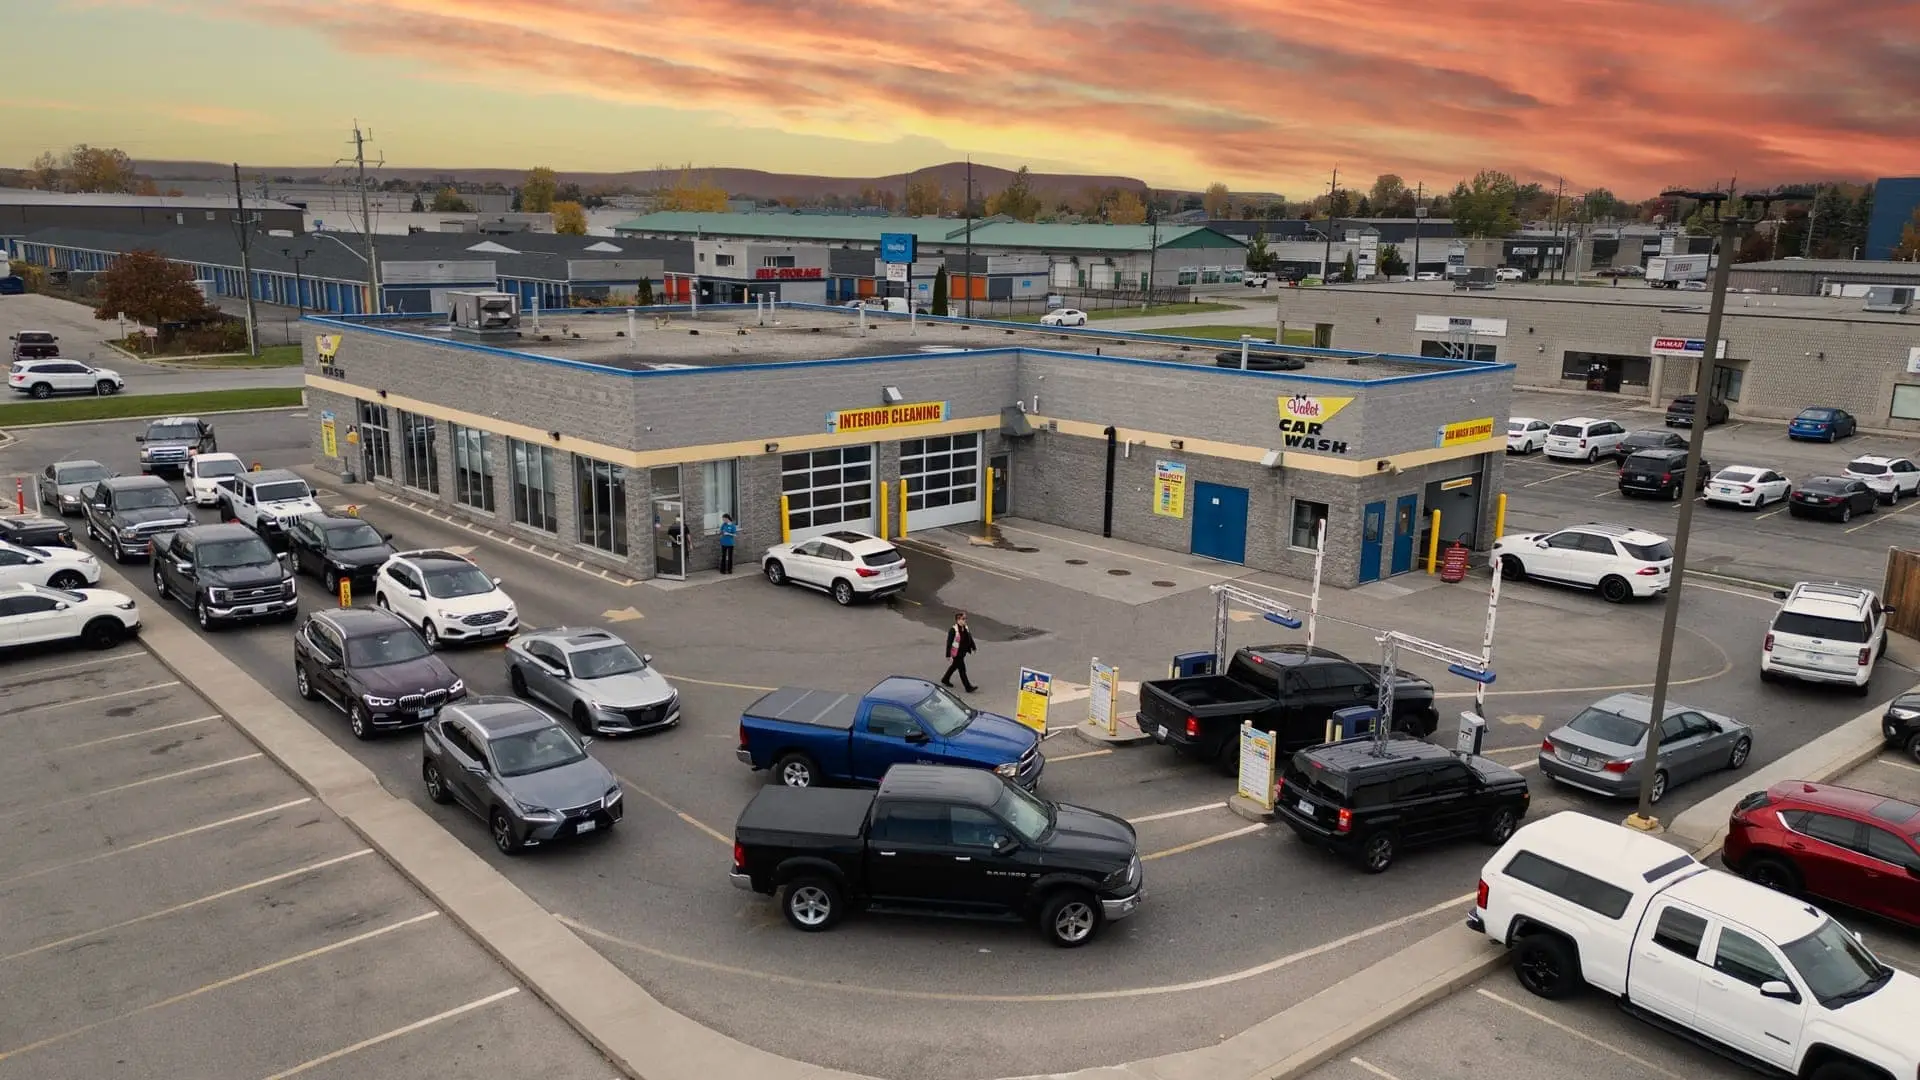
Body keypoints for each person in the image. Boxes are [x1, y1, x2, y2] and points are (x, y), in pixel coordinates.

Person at [942, 612, 978, 693]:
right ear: (958, 620)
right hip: (956, 653)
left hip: (963, 652)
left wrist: (973, 647)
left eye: (965, 619)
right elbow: (949, 642)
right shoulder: (953, 630)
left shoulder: (965, 628)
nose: (965, 620)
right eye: (963, 619)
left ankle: (945, 679)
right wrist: (948, 655)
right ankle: (968, 687)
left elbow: (970, 638)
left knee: (954, 666)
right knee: (962, 670)